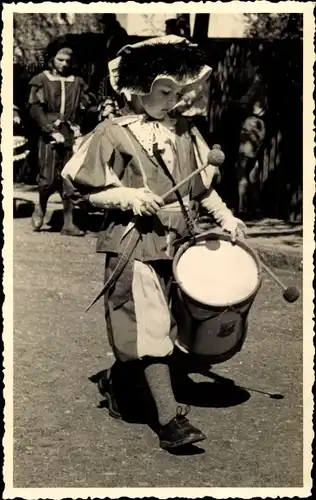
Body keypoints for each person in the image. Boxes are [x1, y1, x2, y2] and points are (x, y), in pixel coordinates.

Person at [62, 35, 247, 451]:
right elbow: (81, 189)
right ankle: (169, 421)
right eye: (164, 92)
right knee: (149, 326)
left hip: (180, 243)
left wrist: (226, 218)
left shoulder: (185, 132)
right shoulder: (112, 133)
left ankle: (119, 382)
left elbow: (200, 190)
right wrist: (125, 196)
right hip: (134, 244)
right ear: (138, 89)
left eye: (178, 93)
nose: (173, 101)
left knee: (169, 325)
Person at [28, 38, 93, 236]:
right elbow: (35, 108)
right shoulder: (41, 79)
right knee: (48, 178)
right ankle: (40, 205)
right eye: (60, 60)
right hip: (49, 133)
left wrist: (97, 108)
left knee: (70, 178)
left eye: (67, 61)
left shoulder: (78, 82)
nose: (64, 64)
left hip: (71, 133)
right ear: (52, 59)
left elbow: (89, 103)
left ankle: (68, 223)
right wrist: (50, 130)